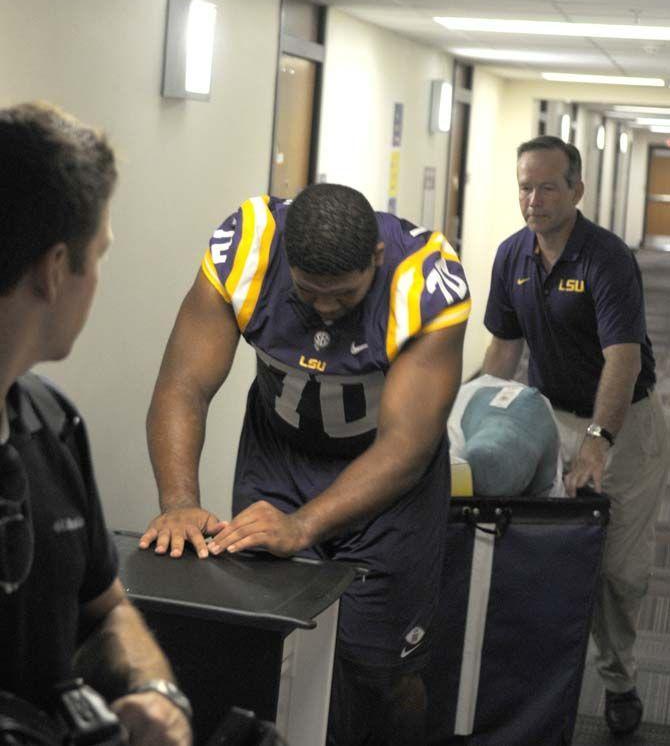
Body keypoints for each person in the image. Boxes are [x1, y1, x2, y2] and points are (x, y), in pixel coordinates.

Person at [139, 183, 470, 745]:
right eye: (308, 291)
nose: (323, 308)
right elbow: (183, 384)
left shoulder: (425, 281)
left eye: (342, 296)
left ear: (377, 260)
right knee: (269, 649)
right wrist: (179, 503)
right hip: (279, 462)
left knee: (380, 672)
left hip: (388, 486)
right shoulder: (248, 249)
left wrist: (305, 525)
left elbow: (404, 448)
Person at [0, 102, 192, 745]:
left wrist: (154, 691)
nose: (100, 278)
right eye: (99, 255)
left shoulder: (50, 424)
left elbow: (105, 607)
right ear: (56, 270)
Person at [482, 134, 670, 735]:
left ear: (577, 190)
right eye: (524, 186)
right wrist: (470, 416)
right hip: (548, 417)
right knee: (541, 555)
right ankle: (538, 678)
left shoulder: (606, 258)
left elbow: (624, 360)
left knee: (617, 570)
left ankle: (617, 679)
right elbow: (503, 349)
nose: (533, 199)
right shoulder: (512, 256)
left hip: (625, 427)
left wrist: (597, 440)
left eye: (547, 186)